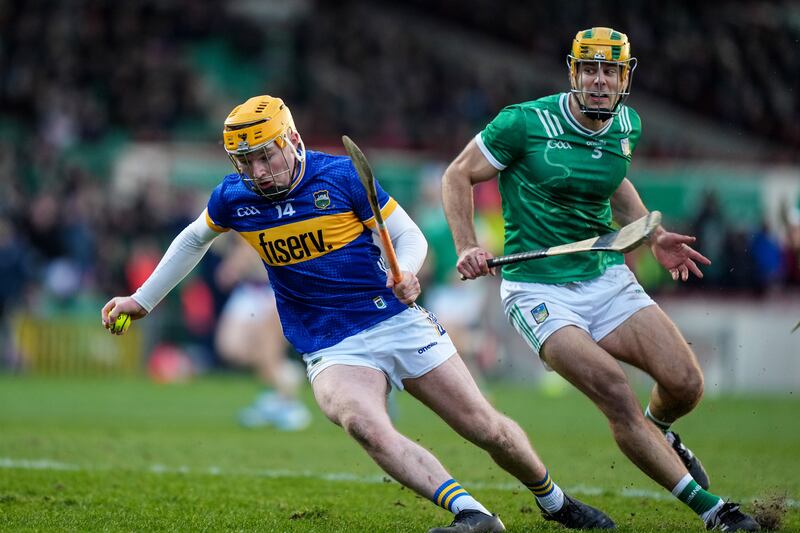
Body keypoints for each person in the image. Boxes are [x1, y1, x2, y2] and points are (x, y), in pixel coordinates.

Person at [102, 95, 616, 532]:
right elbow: (194, 239)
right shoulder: (234, 198)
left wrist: (410, 271)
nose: (257, 171)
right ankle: (473, 516)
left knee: (485, 428)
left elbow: (407, 237)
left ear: (292, 141)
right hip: (329, 343)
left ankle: (554, 501)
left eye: (265, 156)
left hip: (395, 318)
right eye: (245, 162)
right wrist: (141, 299)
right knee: (362, 424)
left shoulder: (342, 177)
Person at [441, 28, 760, 532]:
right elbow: (456, 174)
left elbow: (614, 182)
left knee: (686, 383)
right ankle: (715, 511)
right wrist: (466, 246)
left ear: (624, 78)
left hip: (604, 277)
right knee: (615, 390)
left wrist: (649, 233)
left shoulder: (626, 126)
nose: (597, 79)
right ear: (573, 72)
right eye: (588, 68)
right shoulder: (524, 123)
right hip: (538, 289)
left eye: (609, 70)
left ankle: (660, 433)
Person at [213, 236, 311, 430]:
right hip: (248, 290)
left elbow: (252, 241)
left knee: (268, 352)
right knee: (231, 349)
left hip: (274, 289)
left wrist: (235, 264)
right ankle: (283, 383)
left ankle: (291, 406)